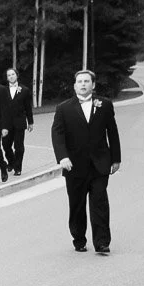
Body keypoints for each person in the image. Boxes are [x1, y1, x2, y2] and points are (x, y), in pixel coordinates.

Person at [51, 69, 121, 255]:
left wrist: (116, 159)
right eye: (80, 81)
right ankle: (79, 238)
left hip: (100, 164)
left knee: (99, 202)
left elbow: (112, 132)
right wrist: (62, 157)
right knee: (77, 204)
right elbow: (57, 135)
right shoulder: (63, 108)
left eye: (87, 81)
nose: (83, 84)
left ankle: (102, 242)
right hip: (74, 166)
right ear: (74, 85)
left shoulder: (104, 105)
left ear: (93, 85)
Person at [3, 68, 35, 176]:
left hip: (19, 122)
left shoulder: (24, 90)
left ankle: (18, 167)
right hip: (6, 124)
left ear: (17, 76)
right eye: (9, 75)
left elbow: (28, 107)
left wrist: (30, 122)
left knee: (18, 146)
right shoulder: (3, 90)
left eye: (13, 74)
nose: (11, 76)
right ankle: (11, 162)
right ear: (7, 78)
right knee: (6, 145)